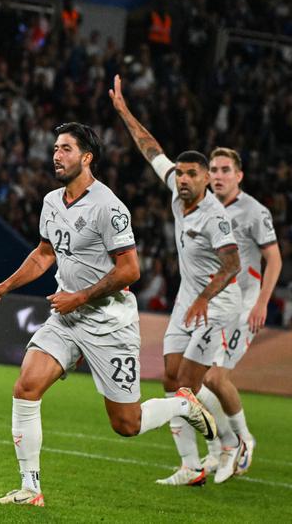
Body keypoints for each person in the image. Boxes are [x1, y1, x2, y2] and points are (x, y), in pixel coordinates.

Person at [0, 122, 217, 507]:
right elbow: (45, 253)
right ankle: (30, 488)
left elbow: (130, 270)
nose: (56, 156)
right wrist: (6, 285)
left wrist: (81, 296)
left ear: (86, 157)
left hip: (109, 322)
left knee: (126, 425)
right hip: (66, 317)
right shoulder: (52, 201)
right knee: (26, 387)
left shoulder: (109, 206)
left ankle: (182, 404)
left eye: (66, 149)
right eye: (56, 148)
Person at [110, 75, 240, 487]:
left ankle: (230, 444)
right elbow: (151, 149)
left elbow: (233, 264)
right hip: (190, 298)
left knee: (187, 383)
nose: (182, 179)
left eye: (191, 175)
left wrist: (202, 299)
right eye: (180, 173)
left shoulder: (215, 215)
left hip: (216, 302)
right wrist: (124, 112)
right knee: (170, 380)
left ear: (206, 179)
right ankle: (191, 465)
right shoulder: (175, 189)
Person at [198, 147, 281, 480]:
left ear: (239, 175)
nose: (217, 175)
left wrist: (262, 303)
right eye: (214, 170)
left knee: (215, 378)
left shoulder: (254, 212)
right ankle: (221, 449)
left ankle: (244, 440)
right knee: (199, 389)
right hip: (216, 305)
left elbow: (274, 259)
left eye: (224, 170)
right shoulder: (205, 207)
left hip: (244, 306)